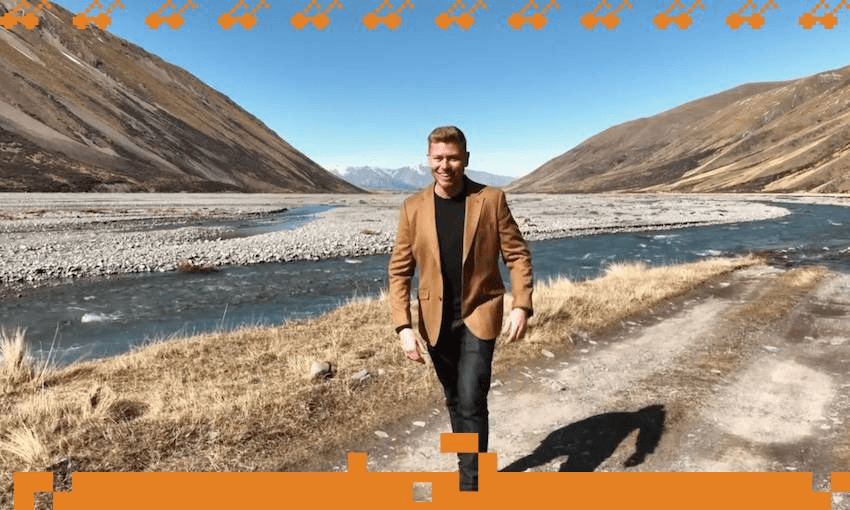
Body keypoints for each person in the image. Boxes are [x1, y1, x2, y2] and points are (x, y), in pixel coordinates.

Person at [388, 125, 534, 491]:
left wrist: (521, 305)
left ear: (466, 159)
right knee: (454, 400)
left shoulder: (491, 199)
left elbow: (517, 255)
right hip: (435, 320)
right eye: (438, 158)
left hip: (479, 314)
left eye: (452, 158)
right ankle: (467, 467)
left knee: (471, 399)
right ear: (428, 160)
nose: (445, 165)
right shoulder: (412, 208)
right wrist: (403, 326)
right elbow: (400, 270)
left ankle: (470, 488)